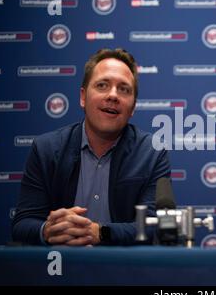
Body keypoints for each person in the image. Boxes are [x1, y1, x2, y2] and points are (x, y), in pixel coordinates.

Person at [12, 48, 171, 246]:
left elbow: (155, 226)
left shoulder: (152, 152)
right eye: (102, 85)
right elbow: (22, 224)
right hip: (58, 268)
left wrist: (101, 232)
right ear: (82, 97)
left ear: (133, 107)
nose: (113, 95)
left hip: (124, 272)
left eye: (124, 89)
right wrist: (47, 230)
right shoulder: (45, 149)